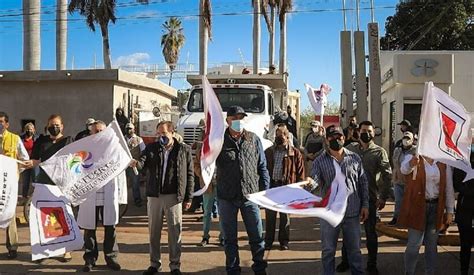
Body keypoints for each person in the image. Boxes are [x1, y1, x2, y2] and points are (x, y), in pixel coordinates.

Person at [216, 105, 270, 275]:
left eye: (241, 118)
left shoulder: (253, 140)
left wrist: (265, 192)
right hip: (227, 197)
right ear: (227, 121)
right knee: (229, 239)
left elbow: (262, 167)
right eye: (234, 118)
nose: (238, 121)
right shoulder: (217, 141)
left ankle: (260, 268)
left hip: (250, 196)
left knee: (256, 237)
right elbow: (206, 165)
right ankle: (233, 269)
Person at [308, 125, 369, 275]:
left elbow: (363, 182)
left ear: (344, 137)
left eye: (339, 136)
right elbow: (315, 181)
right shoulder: (319, 161)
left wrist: (365, 205)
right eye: (332, 137)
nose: (336, 139)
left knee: (355, 251)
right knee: (328, 251)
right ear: (327, 140)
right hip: (330, 213)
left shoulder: (354, 158)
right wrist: (309, 183)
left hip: (352, 212)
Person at [136, 121, 194, 275]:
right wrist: (136, 164)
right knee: (154, 232)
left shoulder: (183, 150)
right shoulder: (151, 148)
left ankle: (175, 266)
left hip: (174, 197)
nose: (161, 136)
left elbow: (189, 174)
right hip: (155, 196)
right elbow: (142, 162)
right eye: (159, 133)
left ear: (172, 133)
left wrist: (189, 197)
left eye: (164, 133)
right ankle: (154, 264)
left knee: (175, 232)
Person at [339, 121, 392, 275]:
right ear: (358, 131)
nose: (366, 133)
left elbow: (387, 175)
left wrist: (383, 196)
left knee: (370, 234)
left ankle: (372, 264)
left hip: (370, 198)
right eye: (363, 130)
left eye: (369, 130)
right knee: (348, 232)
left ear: (373, 133)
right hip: (350, 199)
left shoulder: (379, 152)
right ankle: (345, 261)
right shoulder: (350, 149)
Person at [77, 121, 127, 272]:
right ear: (91, 133)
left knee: (110, 228)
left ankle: (111, 258)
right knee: (89, 229)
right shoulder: (83, 149)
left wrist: (121, 196)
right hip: (90, 195)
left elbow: (121, 174)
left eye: (101, 131)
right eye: (96, 131)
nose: (98, 133)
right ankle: (90, 259)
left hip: (108, 195)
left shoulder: (114, 149)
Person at [398, 154, 455, 275]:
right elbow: (404, 169)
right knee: (414, 244)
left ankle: (430, 272)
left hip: (436, 208)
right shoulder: (413, 157)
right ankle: (409, 272)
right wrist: (411, 164)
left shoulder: (443, 162)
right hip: (417, 208)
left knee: (431, 245)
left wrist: (450, 210)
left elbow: (449, 188)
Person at [30, 114, 74, 262]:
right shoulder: (41, 141)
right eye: (51, 124)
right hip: (44, 182)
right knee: (45, 218)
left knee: (64, 216)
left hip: (62, 183)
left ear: (62, 126)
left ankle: (66, 250)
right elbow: (35, 160)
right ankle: (44, 251)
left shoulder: (68, 141)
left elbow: (74, 161)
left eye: (57, 125)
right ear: (47, 126)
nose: (54, 127)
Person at [264, 124, 304, 251]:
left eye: (280, 135)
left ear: (287, 136)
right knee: (270, 216)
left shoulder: (295, 153)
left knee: (284, 217)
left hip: (287, 187)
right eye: (276, 135)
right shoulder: (269, 152)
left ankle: (284, 241)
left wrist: (299, 190)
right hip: (272, 186)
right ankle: (268, 241)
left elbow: (300, 173)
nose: (278, 137)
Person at [0, 111, 30, 259]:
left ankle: (12, 247)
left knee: (10, 213)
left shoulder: (15, 139)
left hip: (8, 184)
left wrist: (15, 172)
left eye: (1, 122)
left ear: (7, 124)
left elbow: (24, 160)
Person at [194, 120, 224, 247]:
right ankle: (205, 236)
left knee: (222, 213)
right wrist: (202, 175)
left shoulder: (222, 146)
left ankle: (223, 237)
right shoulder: (202, 148)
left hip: (222, 183)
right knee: (207, 213)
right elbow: (195, 164)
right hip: (207, 185)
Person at [453, 139, 474, 275]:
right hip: (465, 210)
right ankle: (464, 271)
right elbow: (456, 184)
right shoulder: (460, 163)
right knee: (465, 245)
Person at [389, 131, 416, 226]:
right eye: (405, 138)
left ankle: (409, 219)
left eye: (408, 138)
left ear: (412, 140)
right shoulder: (397, 150)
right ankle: (397, 218)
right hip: (398, 180)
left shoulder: (415, 151)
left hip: (409, 181)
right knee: (398, 201)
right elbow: (395, 164)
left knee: (409, 202)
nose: (406, 140)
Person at [125, 122, 145, 207]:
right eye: (127, 129)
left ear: (134, 129)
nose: (129, 130)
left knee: (135, 184)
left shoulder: (138, 139)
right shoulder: (121, 139)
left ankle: (137, 200)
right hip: (124, 165)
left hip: (133, 165)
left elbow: (144, 151)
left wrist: (139, 162)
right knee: (122, 184)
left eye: (130, 128)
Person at [19, 122, 38, 198]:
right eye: (27, 129)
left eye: (30, 129)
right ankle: (24, 197)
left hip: (34, 162)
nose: (29, 131)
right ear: (25, 130)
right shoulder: (21, 139)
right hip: (25, 163)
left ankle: (35, 198)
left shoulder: (37, 139)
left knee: (35, 181)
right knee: (25, 182)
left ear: (34, 130)